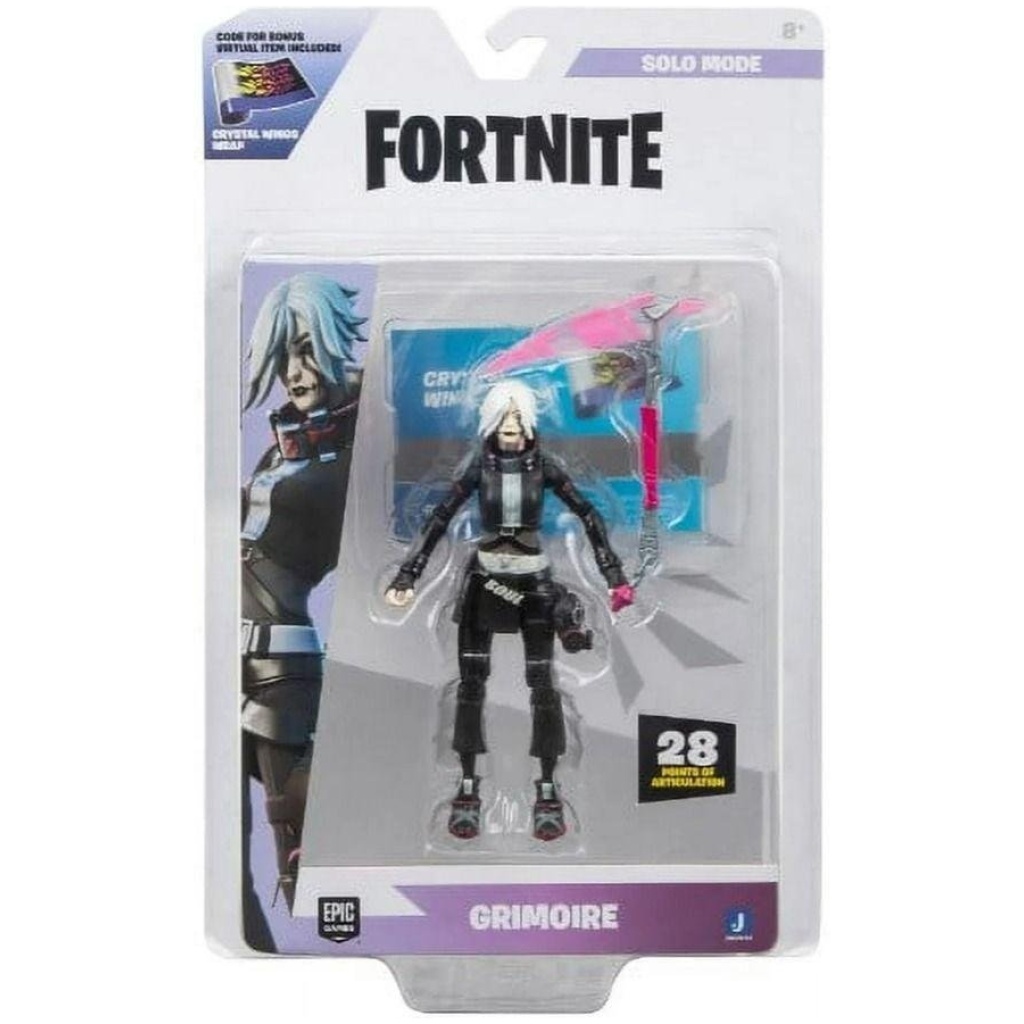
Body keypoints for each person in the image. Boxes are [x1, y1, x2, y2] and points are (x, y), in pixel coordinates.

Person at [386, 380, 633, 841]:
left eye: (519, 418)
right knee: (471, 684)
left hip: (532, 579)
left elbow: (588, 514)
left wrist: (614, 575)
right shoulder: (480, 468)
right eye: (504, 418)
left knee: (542, 683)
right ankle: (466, 786)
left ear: (531, 424)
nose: (512, 427)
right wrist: (408, 575)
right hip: (485, 578)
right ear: (491, 423)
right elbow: (439, 518)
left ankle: (548, 789)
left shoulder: (546, 468)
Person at [241, 273, 366, 927]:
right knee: (225, 848)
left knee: (299, 842)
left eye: (307, 350)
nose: (293, 373)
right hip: (225, 661)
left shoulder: (367, 444)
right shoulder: (282, 449)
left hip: (280, 672)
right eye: (283, 355)